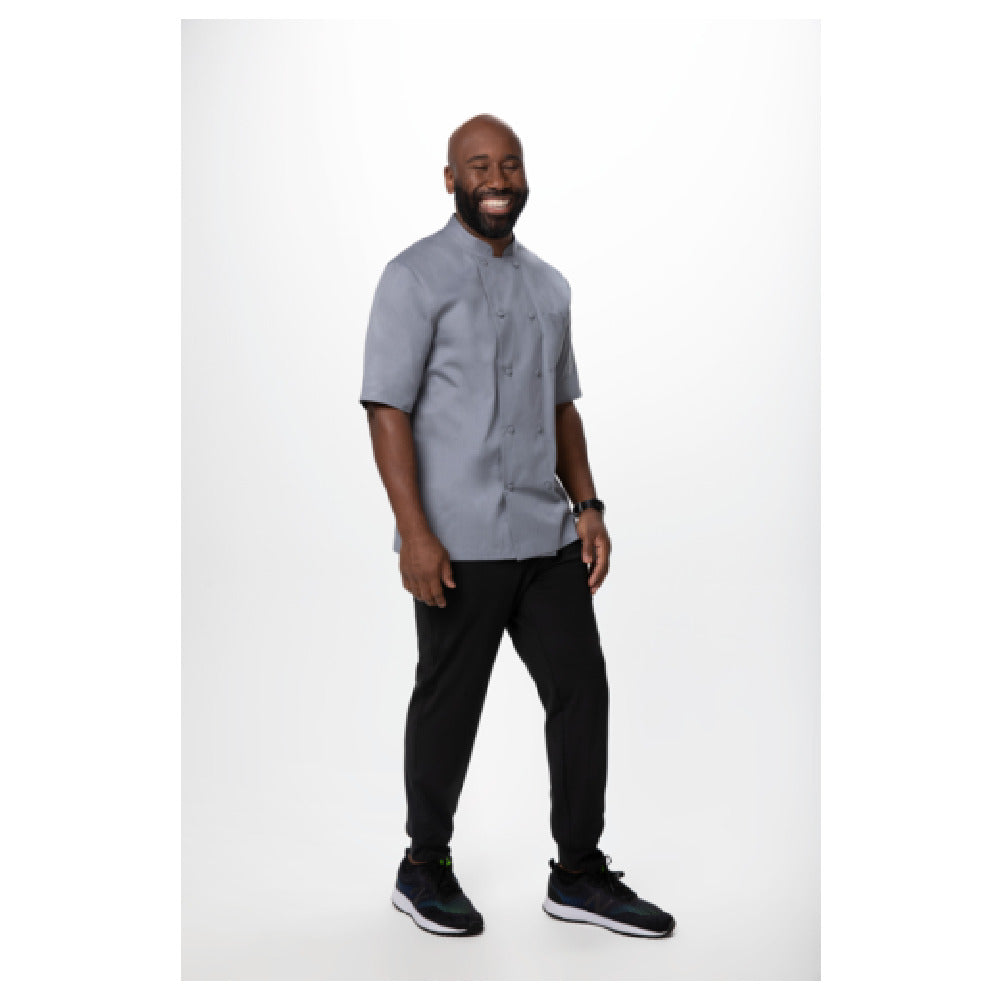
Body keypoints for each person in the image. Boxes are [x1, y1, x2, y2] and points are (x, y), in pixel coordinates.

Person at [359, 113, 675, 939]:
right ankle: (423, 865)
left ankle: (579, 875)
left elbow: (562, 408)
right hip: (456, 542)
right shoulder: (412, 278)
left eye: (509, 164)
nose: (496, 179)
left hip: (546, 536)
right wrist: (413, 532)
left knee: (582, 692)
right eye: (478, 166)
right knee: (449, 702)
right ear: (450, 179)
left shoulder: (550, 286)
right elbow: (386, 408)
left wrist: (590, 507)